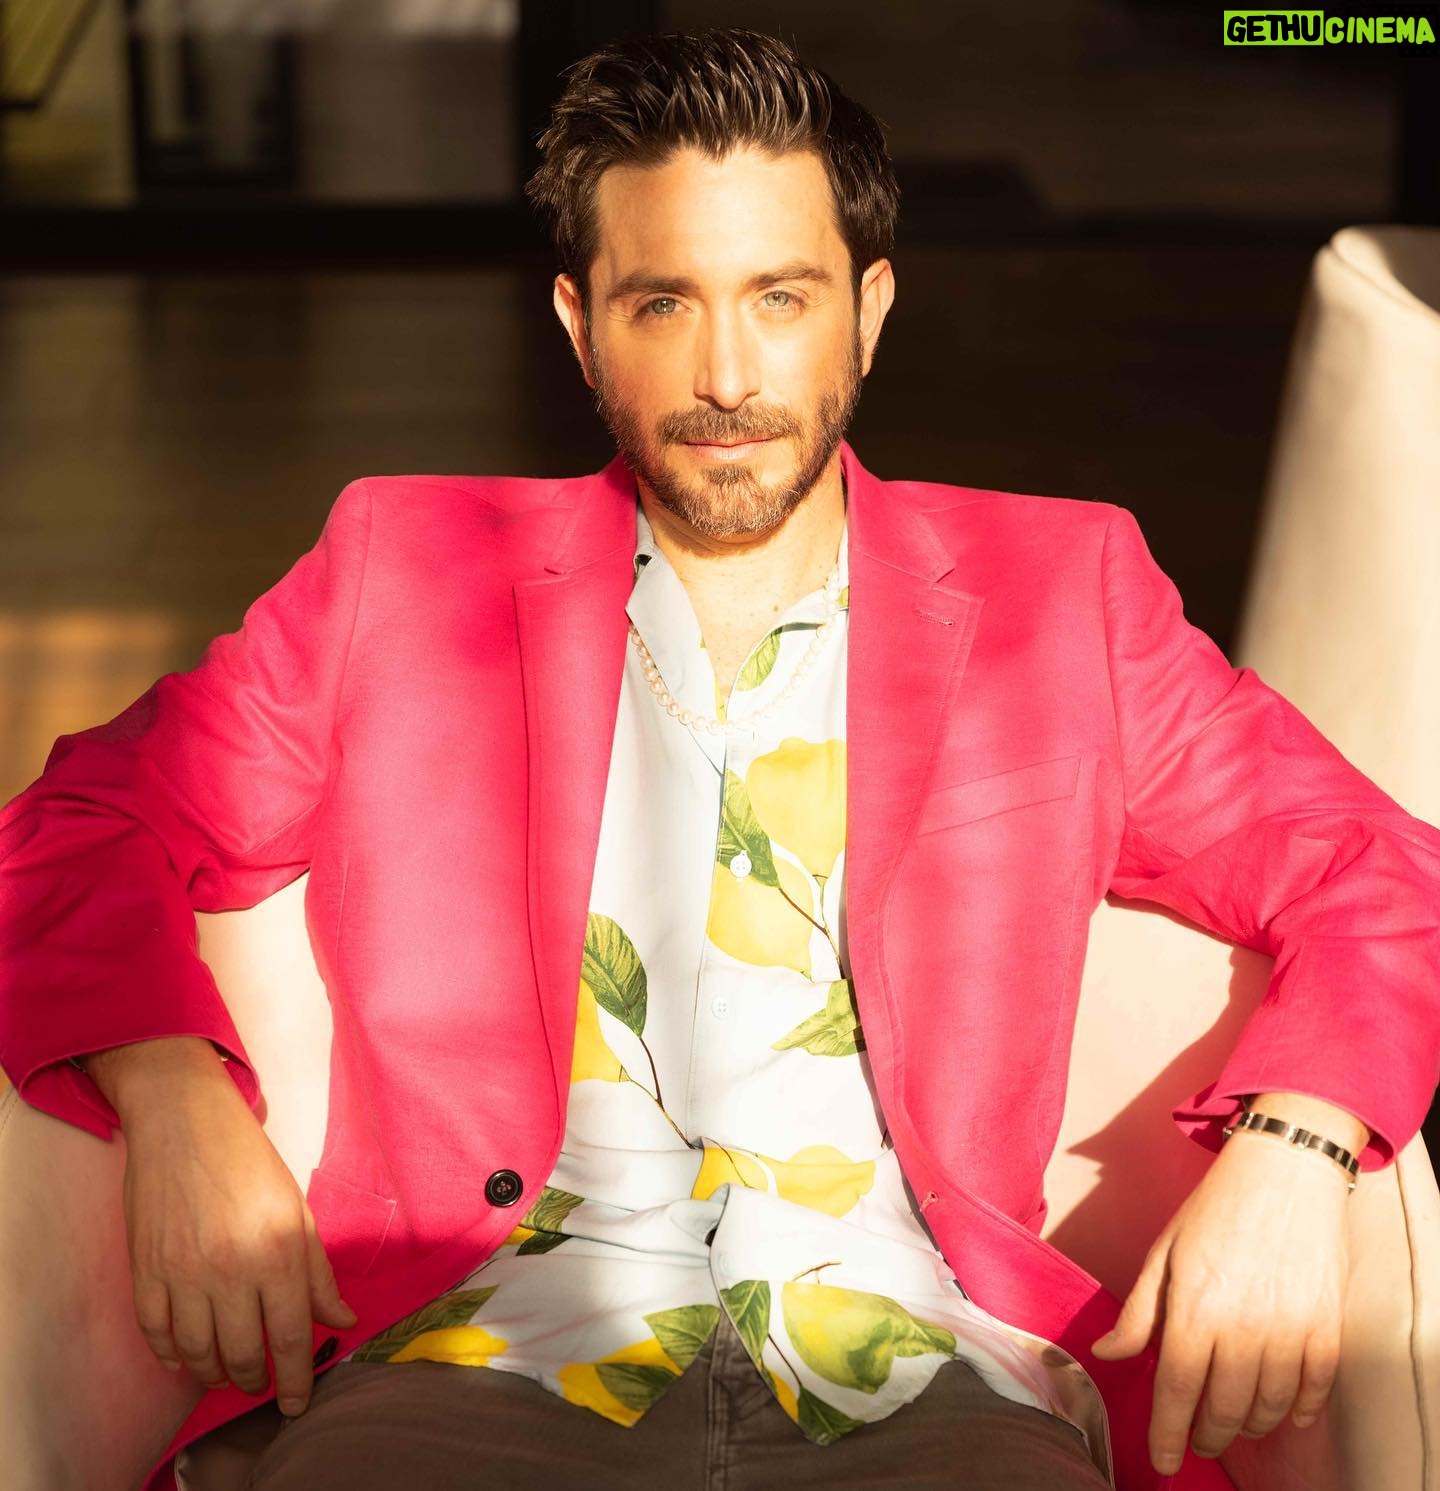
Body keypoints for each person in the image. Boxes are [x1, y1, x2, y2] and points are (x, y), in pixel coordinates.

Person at [2, 26, 1437, 1491]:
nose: (727, 375)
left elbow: (1380, 871)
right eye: (663, 303)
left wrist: (1299, 1148)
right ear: (579, 325)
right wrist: (173, 1091)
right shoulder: (404, 570)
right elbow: (79, 821)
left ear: (869, 311)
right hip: (478, 1357)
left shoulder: (1063, 592)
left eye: (781, 297)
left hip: (924, 1379)